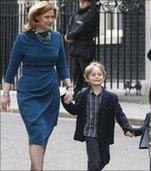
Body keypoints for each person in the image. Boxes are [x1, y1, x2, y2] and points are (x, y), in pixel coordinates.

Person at [0, 1, 73, 170]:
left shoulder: (56, 37)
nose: (51, 20)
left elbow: (62, 65)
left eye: (53, 17)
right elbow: (11, 69)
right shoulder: (23, 38)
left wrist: (69, 87)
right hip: (29, 94)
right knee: (38, 132)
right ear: (36, 17)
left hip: (50, 92)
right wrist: (5, 94)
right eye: (47, 17)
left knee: (43, 136)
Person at [61, 61, 134, 170]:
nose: (96, 77)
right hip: (89, 133)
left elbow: (120, 115)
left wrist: (127, 128)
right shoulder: (82, 94)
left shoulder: (111, 97)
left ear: (104, 77)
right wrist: (66, 103)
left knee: (105, 159)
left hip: (103, 134)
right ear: (87, 78)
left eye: (99, 74)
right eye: (93, 75)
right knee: (94, 161)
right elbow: (75, 110)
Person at [65, 0, 98, 97]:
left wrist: (70, 36)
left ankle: (88, 93)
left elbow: (83, 29)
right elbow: (70, 25)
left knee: (86, 73)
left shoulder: (92, 14)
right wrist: (68, 36)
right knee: (76, 74)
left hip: (85, 48)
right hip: (74, 48)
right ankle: (78, 94)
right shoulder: (76, 14)